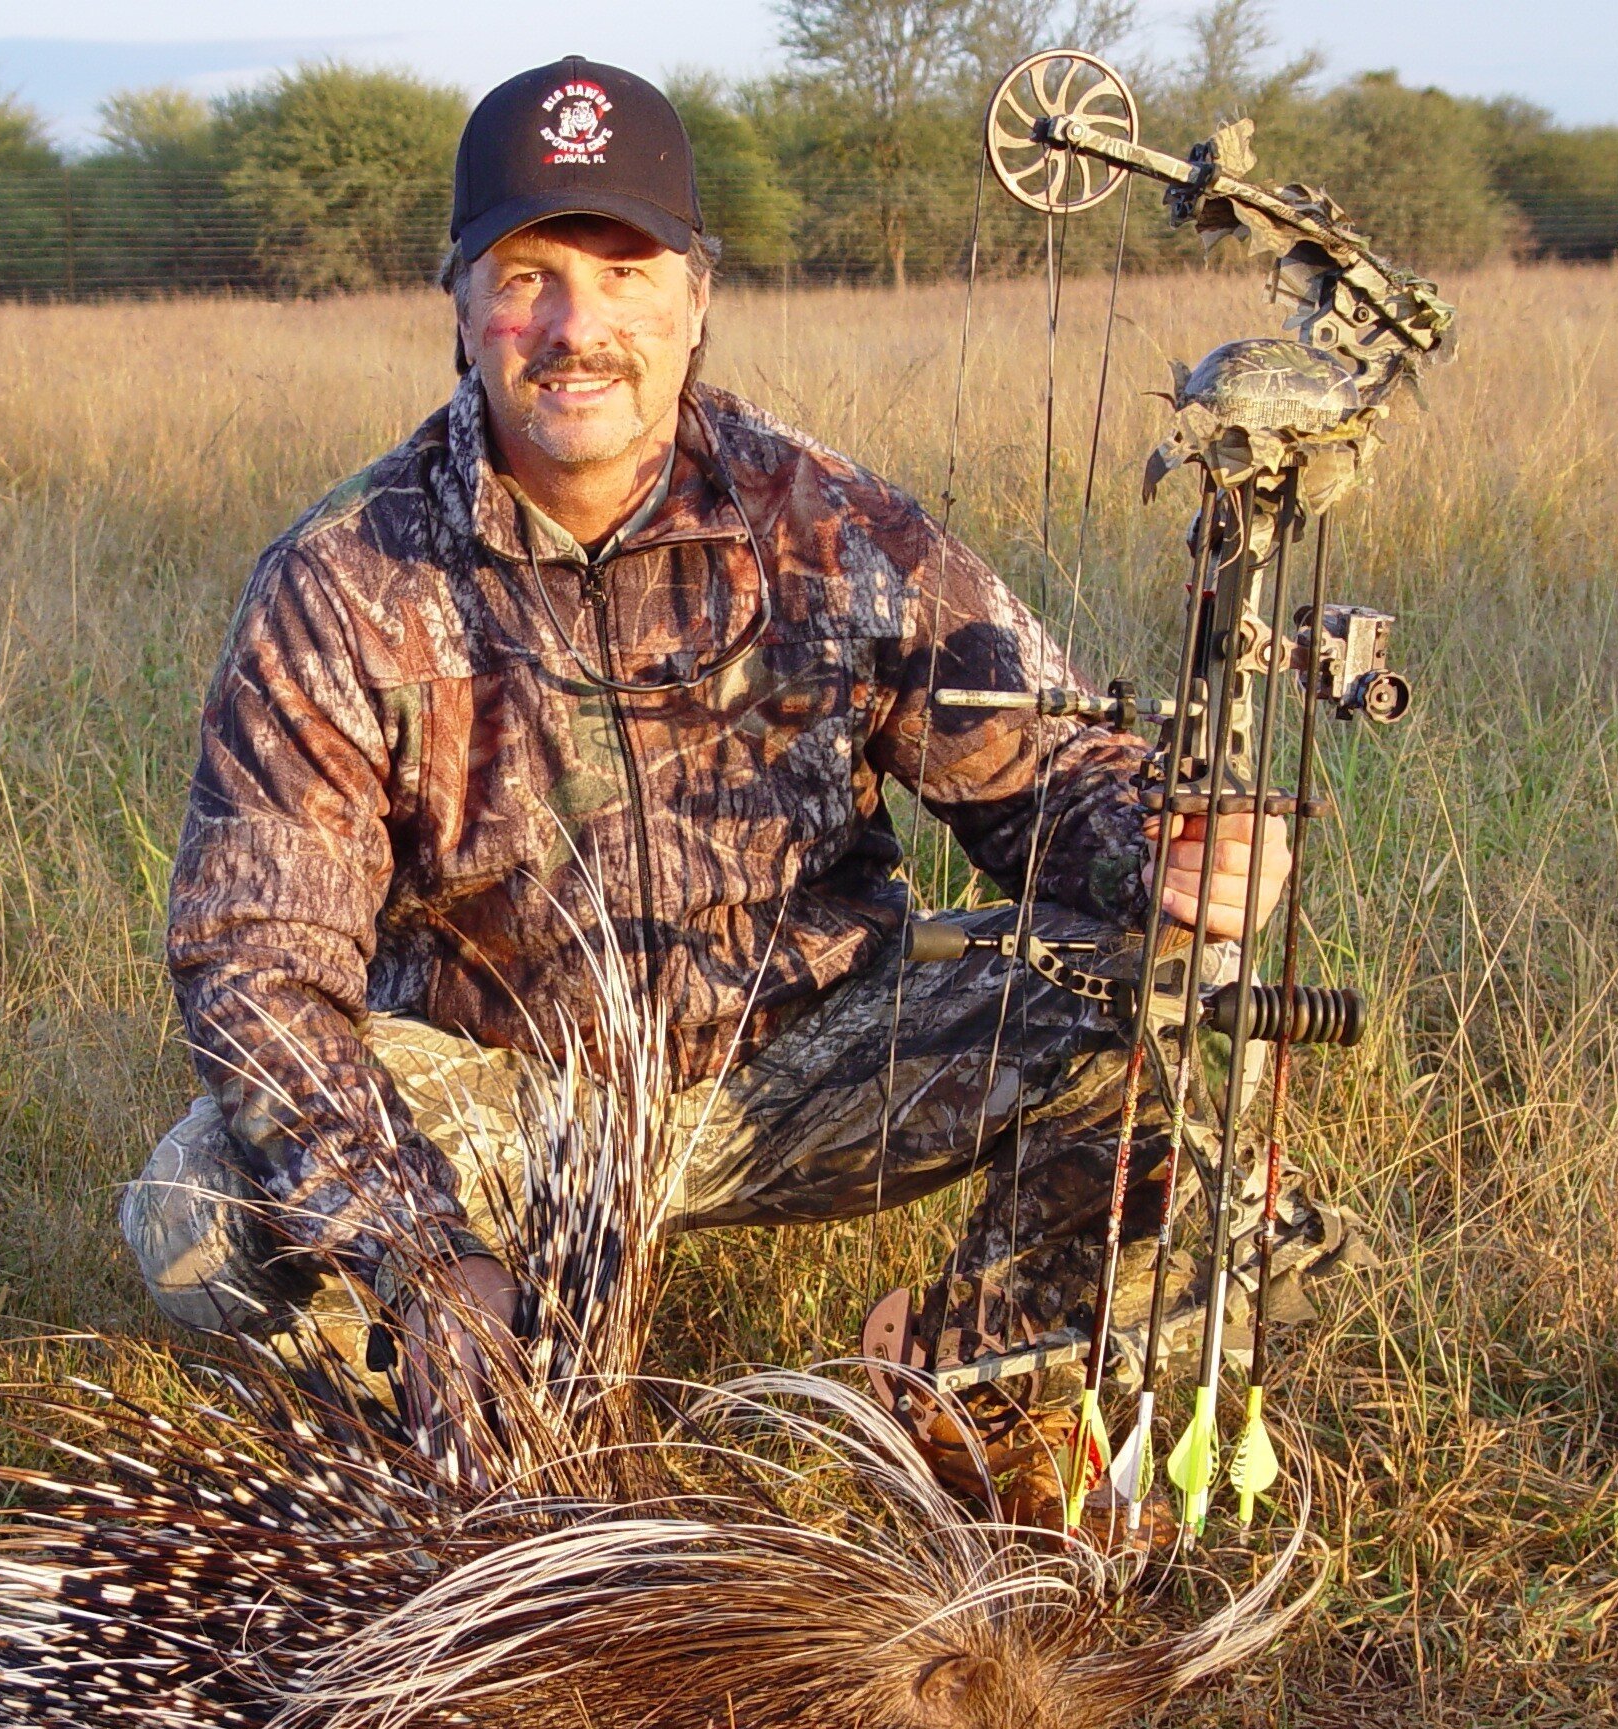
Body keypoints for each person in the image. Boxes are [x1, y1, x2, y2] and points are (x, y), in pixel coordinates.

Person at [120, 56, 1357, 1455]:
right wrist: (420, 1254)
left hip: (816, 1061)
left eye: (627, 270)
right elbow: (258, 969)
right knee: (200, 1207)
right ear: (461, 305)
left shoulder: (836, 529)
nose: (577, 326)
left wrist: (1174, 844)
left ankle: (970, 1391)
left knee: (1189, 1001)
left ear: (697, 297)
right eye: (527, 274)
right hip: (512, 1092)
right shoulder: (340, 580)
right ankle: (459, 1428)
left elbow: (1051, 777)